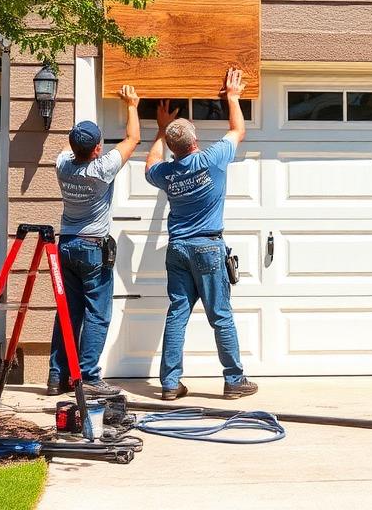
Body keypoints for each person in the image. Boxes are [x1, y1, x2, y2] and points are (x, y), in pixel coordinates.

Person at [144, 67, 257, 401]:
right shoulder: (211, 159)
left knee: (177, 313)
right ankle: (234, 381)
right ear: (194, 141)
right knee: (220, 315)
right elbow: (238, 130)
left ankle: (169, 384)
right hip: (208, 247)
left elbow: (149, 164)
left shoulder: (166, 173)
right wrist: (232, 98)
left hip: (178, 248)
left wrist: (160, 131)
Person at [48, 84, 141, 397]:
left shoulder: (62, 165)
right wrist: (132, 103)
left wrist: (80, 135)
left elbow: (70, 147)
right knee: (97, 315)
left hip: (67, 246)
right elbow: (133, 139)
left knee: (68, 314)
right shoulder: (101, 169)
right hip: (91, 249)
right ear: (98, 149)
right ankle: (88, 377)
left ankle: (56, 376)